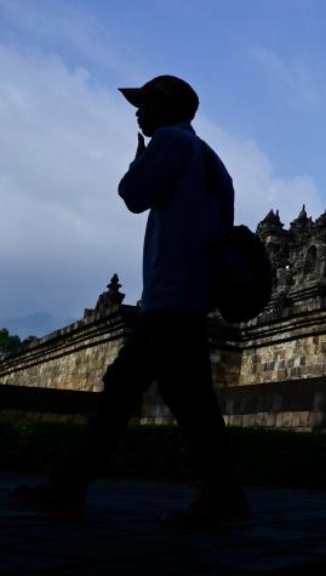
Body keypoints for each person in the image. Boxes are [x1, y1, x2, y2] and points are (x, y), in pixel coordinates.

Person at [10, 75, 251, 530]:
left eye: (144, 104)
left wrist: (139, 160)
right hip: (188, 293)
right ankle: (70, 487)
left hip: (169, 293)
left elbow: (133, 195)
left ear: (166, 107)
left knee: (173, 398)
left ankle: (221, 496)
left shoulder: (169, 142)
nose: (138, 112)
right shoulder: (213, 160)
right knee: (134, 392)